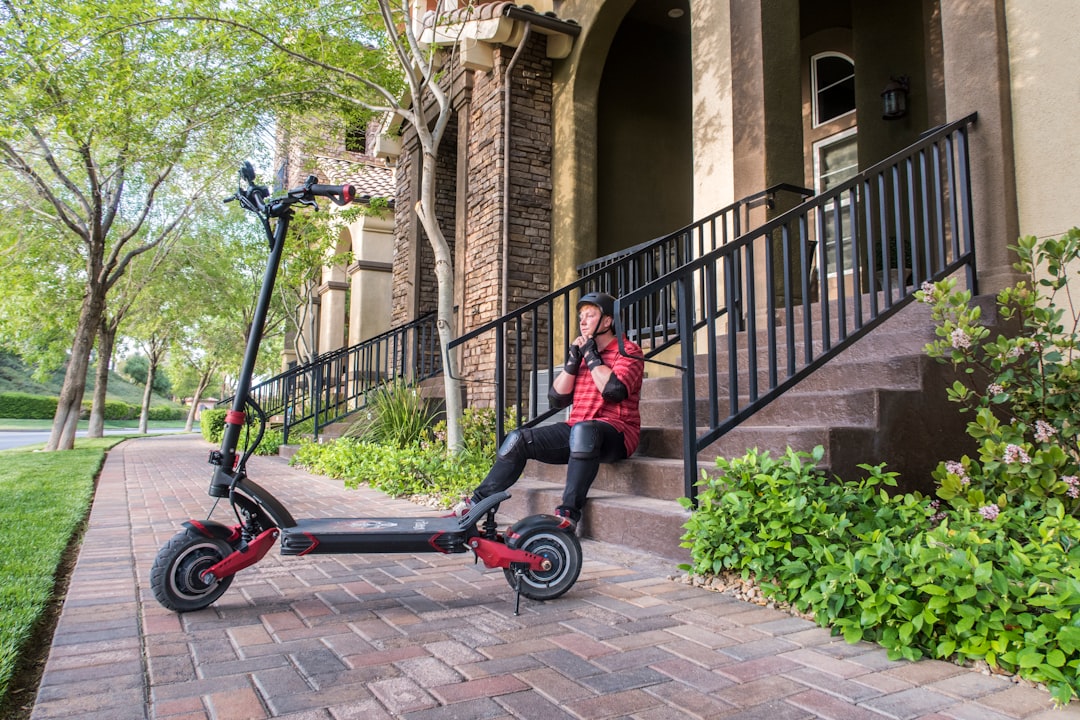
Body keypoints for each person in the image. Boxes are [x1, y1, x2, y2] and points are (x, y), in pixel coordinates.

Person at [456, 291, 645, 527]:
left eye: (590, 315)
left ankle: (568, 515)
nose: (583, 321)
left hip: (617, 433)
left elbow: (614, 391)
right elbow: (557, 398)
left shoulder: (628, 350)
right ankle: (476, 504)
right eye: (581, 317)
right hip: (577, 430)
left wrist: (592, 356)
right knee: (518, 439)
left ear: (607, 322)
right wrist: (573, 362)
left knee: (584, 431)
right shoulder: (584, 354)